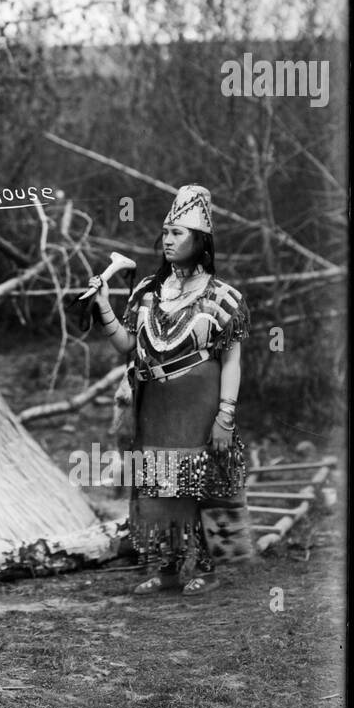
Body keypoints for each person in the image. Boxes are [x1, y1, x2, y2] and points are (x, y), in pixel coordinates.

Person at [88, 185, 249, 596]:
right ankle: (170, 568)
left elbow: (231, 360)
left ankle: (208, 567)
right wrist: (103, 304)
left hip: (200, 403)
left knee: (199, 481)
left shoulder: (223, 298)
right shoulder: (146, 291)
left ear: (200, 240)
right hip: (154, 404)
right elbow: (127, 346)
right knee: (160, 482)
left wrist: (225, 415)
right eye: (166, 232)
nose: (168, 240)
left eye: (178, 233)